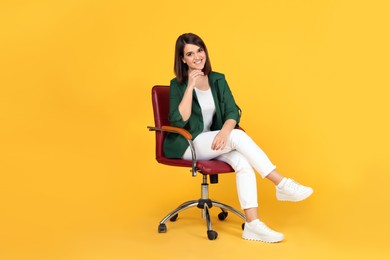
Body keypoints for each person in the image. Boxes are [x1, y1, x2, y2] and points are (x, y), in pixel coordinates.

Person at [163, 33, 313, 243]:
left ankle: (253, 225)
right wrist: (189, 86)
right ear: (182, 59)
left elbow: (233, 111)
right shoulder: (177, 84)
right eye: (190, 53)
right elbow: (179, 121)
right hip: (188, 144)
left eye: (199, 50)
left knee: (243, 162)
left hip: (214, 141)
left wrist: (224, 133)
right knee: (238, 137)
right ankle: (281, 183)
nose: (197, 56)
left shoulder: (217, 79)